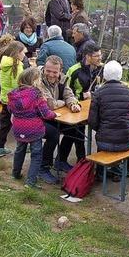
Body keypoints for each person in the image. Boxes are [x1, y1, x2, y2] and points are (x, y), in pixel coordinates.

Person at [8, 67, 58, 189]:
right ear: (35, 81)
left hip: (19, 128)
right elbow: (45, 113)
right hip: (34, 130)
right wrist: (55, 114)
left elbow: (10, 109)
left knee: (20, 150)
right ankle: (31, 182)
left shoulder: (13, 94)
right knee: (36, 155)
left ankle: (15, 173)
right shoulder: (36, 95)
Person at [58, 44, 103, 167]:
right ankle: (77, 161)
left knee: (82, 133)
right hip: (76, 108)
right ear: (88, 56)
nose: (100, 58)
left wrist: (93, 94)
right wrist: (82, 97)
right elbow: (64, 90)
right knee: (75, 132)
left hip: (92, 107)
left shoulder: (101, 69)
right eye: (96, 56)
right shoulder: (74, 70)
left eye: (100, 55)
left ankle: (81, 161)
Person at [37, 55, 80, 184]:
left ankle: (60, 161)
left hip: (51, 116)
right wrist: (63, 102)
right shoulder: (37, 79)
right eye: (48, 71)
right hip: (35, 117)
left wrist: (73, 104)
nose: (51, 74)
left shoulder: (63, 78)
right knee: (53, 134)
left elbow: (69, 94)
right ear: (44, 68)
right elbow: (50, 104)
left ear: (60, 71)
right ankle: (43, 168)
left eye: (55, 72)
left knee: (74, 129)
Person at [88, 60, 129, 152]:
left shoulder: (98, 93)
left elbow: (92, 121)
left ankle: (100, 166)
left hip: (104, 141)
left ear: (105, 75)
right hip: (125, 140)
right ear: (120, 74)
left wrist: (102, 128)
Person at [0, 42, 26, 157]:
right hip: (15, 100)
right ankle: (23, 144)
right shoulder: (17, 65)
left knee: (5, 123)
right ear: (17, 53)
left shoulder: (4, 63)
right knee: (21, 123)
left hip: (4, 98)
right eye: (23, 52)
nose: (24, 55)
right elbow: (17, 85)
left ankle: (0, 147)